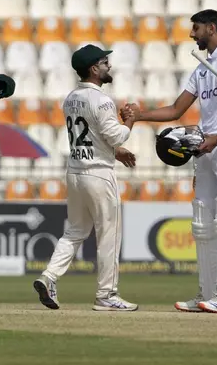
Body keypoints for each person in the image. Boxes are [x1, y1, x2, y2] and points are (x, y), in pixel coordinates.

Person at [124, 9, 217, 314]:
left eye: (195, 28)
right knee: (202, 222)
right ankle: (207, 293)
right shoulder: (202, 68)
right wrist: (140, 114)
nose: (191, 34)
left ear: (211, 28)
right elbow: (175, 109)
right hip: (206, 147)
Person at [32, 44, 138, 311]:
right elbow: (114, 135)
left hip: (76, 172)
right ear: (93, 69)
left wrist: (115, 152)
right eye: (104, 62)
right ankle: (107, 296)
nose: (109, 66)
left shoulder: (71, 98)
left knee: (75, 231)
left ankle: (49, 276)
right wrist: (130, 121)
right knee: (109, 235)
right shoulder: (101, 100)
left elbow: (92, 138)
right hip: (99, 175)